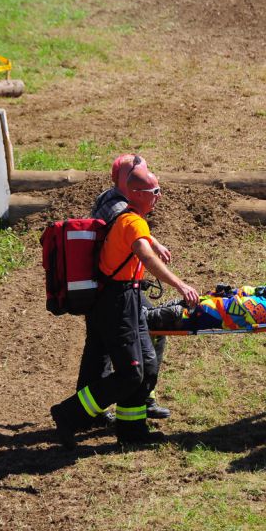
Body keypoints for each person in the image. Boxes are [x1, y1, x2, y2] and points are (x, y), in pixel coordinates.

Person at [50, 169, 199, 448]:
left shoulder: (132, 219)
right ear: (136, 194)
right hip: (116, 304)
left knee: (147, 366)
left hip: (126, 299)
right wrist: (180, 285)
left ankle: (132, 432)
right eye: (154, 191)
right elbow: (146, 256)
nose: (159, 196)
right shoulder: (132, 222)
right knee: (130, 372)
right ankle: (68, 413)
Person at [76, 154, 173, 424]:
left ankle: (86, 412)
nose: (141, 175)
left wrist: (153, 240)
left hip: (101, 288)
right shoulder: (118, 206)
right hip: (117, 292)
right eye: (136, 173)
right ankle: (141, 398)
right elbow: (134, 237)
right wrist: (176, 281)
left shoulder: (109, 199)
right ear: (122, 179)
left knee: (98, 349)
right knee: (151, 334)